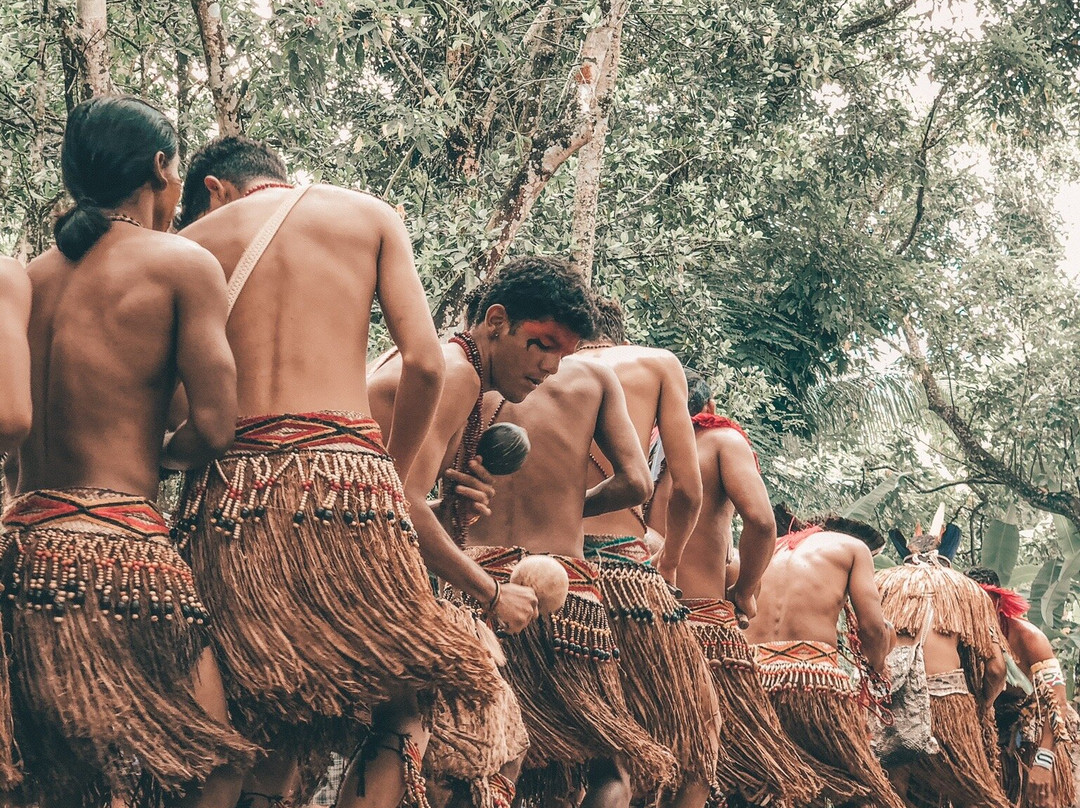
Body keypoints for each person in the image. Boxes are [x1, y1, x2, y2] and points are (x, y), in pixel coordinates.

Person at [174, 135, 505, 808]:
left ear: (213, 188)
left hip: (234, 494)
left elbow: (187, 412)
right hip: (349, 487)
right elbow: (424, 363)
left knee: (247, 710)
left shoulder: (191, 247)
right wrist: (389, 475)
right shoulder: (367, 213)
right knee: (401, 700)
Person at [1, 96, 255, 807]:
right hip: (124, 559)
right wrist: (162, 457)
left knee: (46, 776)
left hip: (23, 556)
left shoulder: (28, 277)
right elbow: (216, 428)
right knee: (221, 760)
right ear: (161, 169)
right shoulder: (181, 263)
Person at [368, 256, 597, 806]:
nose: (550, 368)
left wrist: (449, 512)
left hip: (351, 544)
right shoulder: (458, 373)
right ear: (496, 320)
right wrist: (492, 592)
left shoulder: (459, 368)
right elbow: (399, 504)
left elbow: (399, 496)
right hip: (342, 554)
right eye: (542, 344)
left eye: (562, 355)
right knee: (475, 720)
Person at [457, 351, 676, 808]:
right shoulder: (595, 377)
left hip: (475, 583)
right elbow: (637, 482)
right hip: (567, 595)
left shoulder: (462, 372)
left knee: (476, 756)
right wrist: (568, 509)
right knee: (605, 767)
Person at [650, 371, 822, 808]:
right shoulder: (722, 441)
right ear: (707, 409)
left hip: (633, 608)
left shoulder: (640, 445)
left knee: (635, 751)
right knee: (698, 752)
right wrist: (745, 591)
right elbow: (763, 522)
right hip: (700, 620)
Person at [576, 297, 719, 808]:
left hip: (538, 564)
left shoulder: (538, 367)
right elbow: (688, 489)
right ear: (620, 333)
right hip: (621, 570)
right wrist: (671, 559)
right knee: (689, 735)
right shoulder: (655, 364)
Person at [744, 506, 903, 808]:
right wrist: (879, 666)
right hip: (812, 683)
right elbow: (873, 629)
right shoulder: (854, 549)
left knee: (758, 783)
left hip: (748, 682)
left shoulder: (770, 548)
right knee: (858, 790)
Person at [877, 530, 1009, 808]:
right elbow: (997, 670)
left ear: (907, 555)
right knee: (972, 794)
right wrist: (981, 706)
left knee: (892, 794)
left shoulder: (882, 582)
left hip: (891, 699)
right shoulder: (967, 590)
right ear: (946, 556)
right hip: (948, 703)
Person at [966, 566, 1074, 808]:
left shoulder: (1028, 638)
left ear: (999, 604)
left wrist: (1044, 762)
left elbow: (1056, 702)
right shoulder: (957, 635)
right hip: (985, 729)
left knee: (1041, 799)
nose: (977, 612)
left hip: (1032, 726)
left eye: (984, 604)